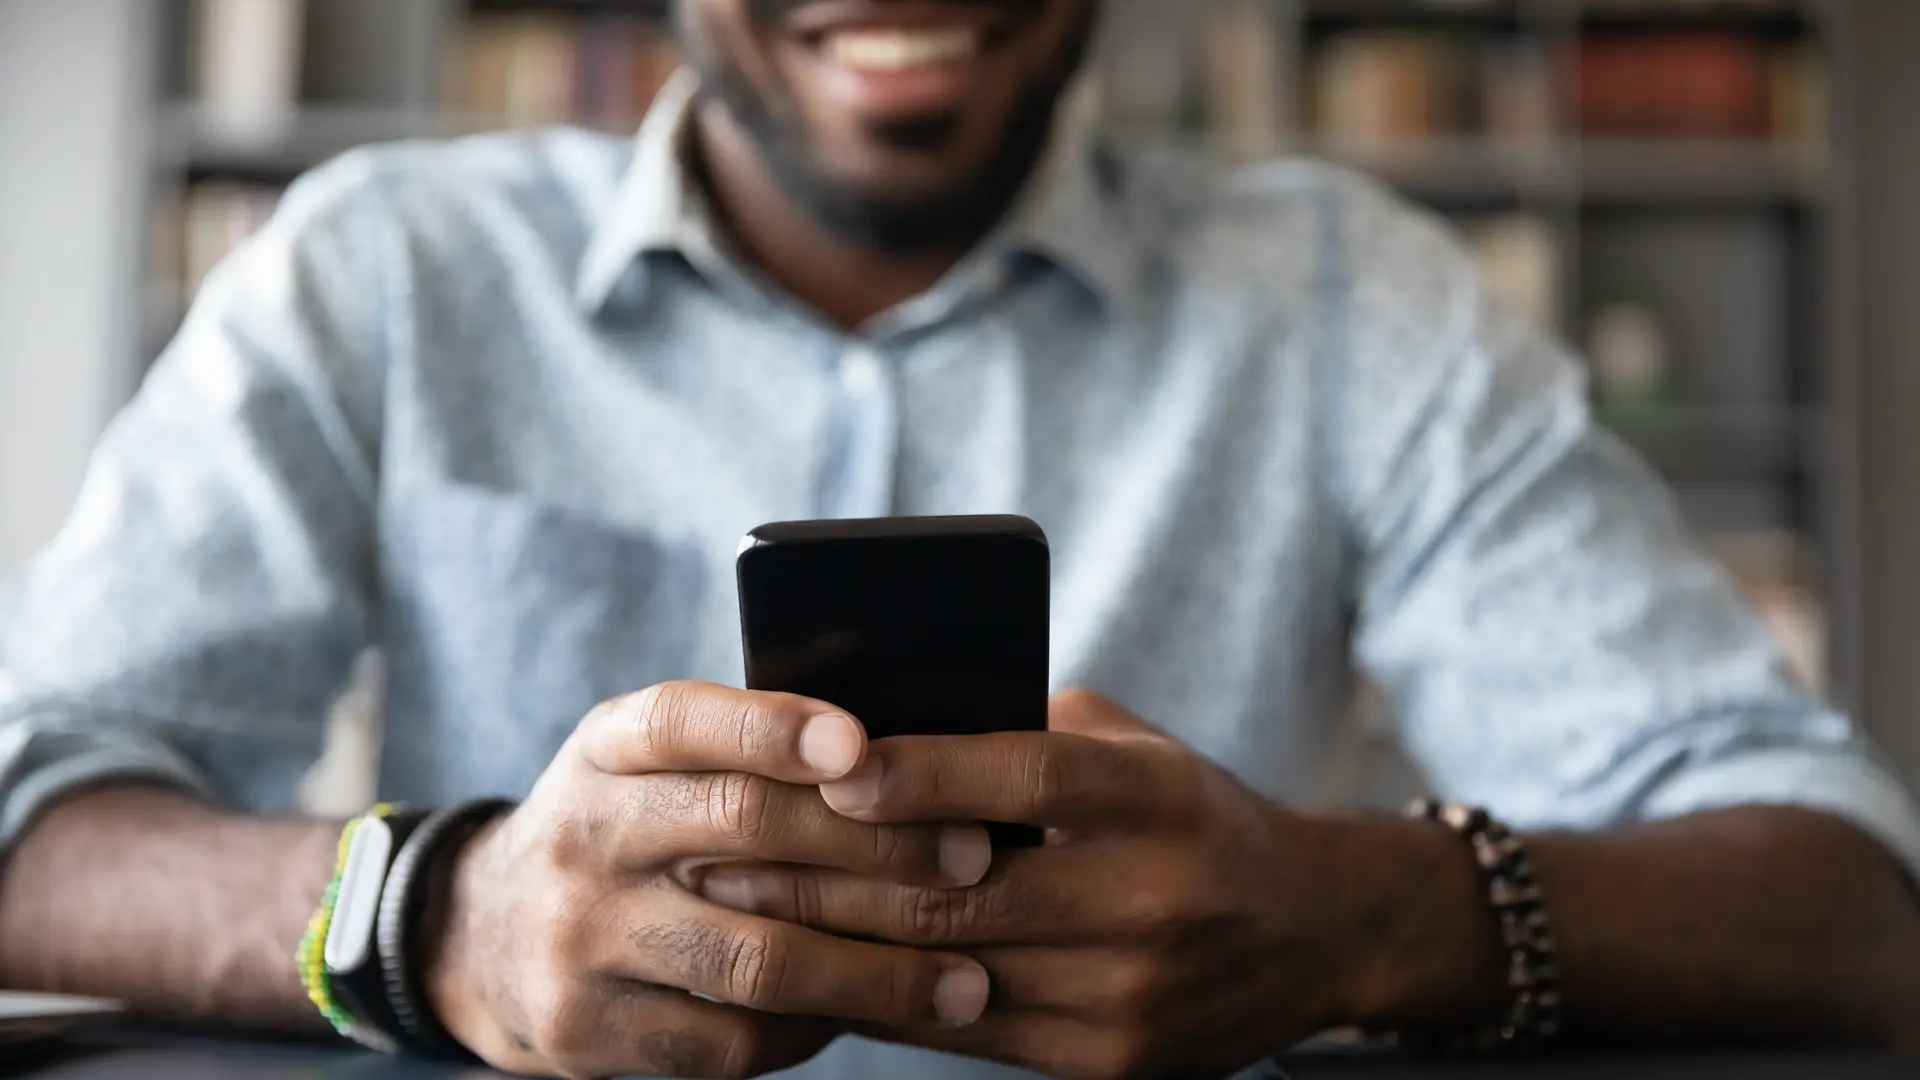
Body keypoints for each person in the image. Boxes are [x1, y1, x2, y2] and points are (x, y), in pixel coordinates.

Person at [1, 0, 1917, 1076]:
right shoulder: (381, 271)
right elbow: (30, 811)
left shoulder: (1358, 303)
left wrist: (1363, 917)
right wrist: (437, 911)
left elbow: (1854, 900)